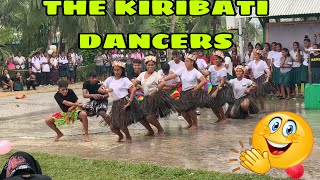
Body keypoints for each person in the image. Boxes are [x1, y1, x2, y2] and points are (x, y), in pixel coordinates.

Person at [102, 61, 147, 143]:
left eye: (118, 70)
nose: (116, 72)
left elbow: (133, 88)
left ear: (122, 70)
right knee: (114, 125)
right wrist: (106, 90)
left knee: (140, 117)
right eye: (115, 70)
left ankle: (130, 137)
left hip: (124, 100)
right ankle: (121, 136)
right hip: (116, 103)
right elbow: (101, 88)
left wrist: (130, 100)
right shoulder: (110, 79)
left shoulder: (124, 79)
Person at [133, 55, 177, 135]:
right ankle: (150, 130)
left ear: (155, 66)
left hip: (155, 98)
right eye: (148, 65)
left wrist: (156, 89)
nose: (150, 66)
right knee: (140, 116)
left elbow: (163, 82)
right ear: (146, 65)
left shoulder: (156, 75)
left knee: (149, 117)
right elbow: (134, 83)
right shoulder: (142, 74)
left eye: (152, 65)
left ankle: (160, 130)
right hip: (146, 98)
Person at [161, 53, 207, 128]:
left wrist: (197, 88)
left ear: (192, 62)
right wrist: (163, 79)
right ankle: (190, 123)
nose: (185, 63)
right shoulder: (182, 69)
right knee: (182, 110)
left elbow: (204, 80)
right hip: (184, 92)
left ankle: (195, 124)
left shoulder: (195, 71)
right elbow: (173, 75)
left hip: (192, 92)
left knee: (191, 109)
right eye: (185, 61)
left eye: (187, 61)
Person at [202, 51, 234, 123]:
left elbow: (222, 82)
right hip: (212, 87)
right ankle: (219, 118)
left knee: (218, 104)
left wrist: (216, 91)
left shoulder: (223, 69)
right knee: (211, 104)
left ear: (221, 60)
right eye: (214, 59)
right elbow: (206, 73)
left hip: (219, 88)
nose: (215, 61)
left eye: (217, 59)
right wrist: (198, 69)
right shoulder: (212, 67)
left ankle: (223, 118)